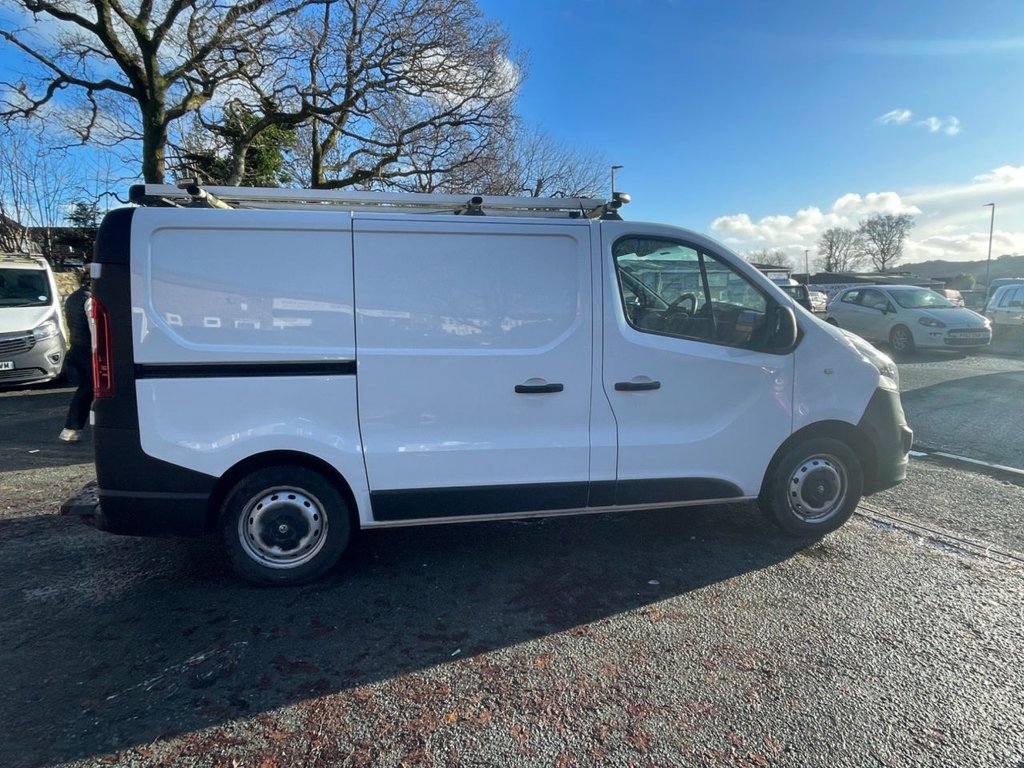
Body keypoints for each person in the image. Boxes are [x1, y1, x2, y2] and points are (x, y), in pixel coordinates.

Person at [59, 270, 94, 442]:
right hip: (88, 350)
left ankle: (72, 428)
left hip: (76, 348)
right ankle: (71, 428)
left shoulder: (73, 297)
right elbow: (93, 327)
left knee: (87, 389)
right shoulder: (89, 300)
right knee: (89, 389)